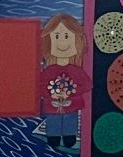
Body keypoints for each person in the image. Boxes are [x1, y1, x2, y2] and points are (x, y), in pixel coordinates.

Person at [39, 13, 92, 149]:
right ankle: (53, 135)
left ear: (78, 41)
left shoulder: (76, 70)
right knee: (53, 120)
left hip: (72, 105)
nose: (62, 42)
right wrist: (51, 94)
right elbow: (39, 86)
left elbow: (87, 85)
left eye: (67, 36)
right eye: (57, 36)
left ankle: (70, 135)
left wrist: (72, 91)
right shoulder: (48, 71)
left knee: (71, 119)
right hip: (52, 105)